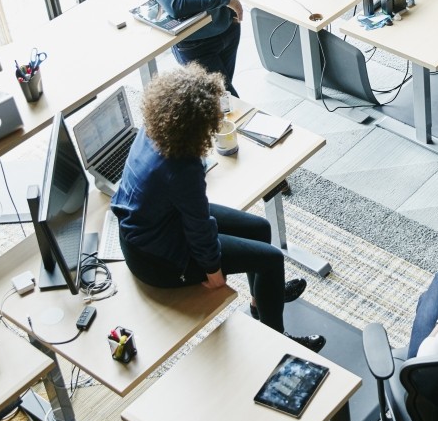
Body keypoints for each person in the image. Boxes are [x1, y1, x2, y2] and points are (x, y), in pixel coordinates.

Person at [111, 66, 324, 352]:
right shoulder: (183, 167)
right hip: (156, 258)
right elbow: (199, 229)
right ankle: (277, 340)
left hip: (156, 222)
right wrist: (214, 273)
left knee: (260, 228)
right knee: (271, 260)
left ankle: (261, 301)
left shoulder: (154, 128)